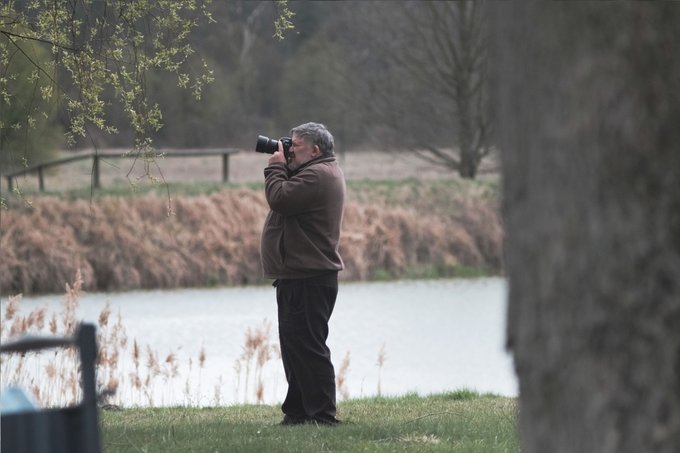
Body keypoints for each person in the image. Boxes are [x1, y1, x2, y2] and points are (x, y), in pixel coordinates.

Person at [260, 122, 345, 426]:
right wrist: (289, 164)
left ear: (315, 149)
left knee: (308, 348)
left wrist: (275, 168)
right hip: (300, 274)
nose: (288, 149)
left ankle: (323, 415)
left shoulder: (318, 175)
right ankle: (297, 412)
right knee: (295, 348)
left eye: (295, 145)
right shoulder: (316, 171)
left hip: (309, 276)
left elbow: (280, 198)